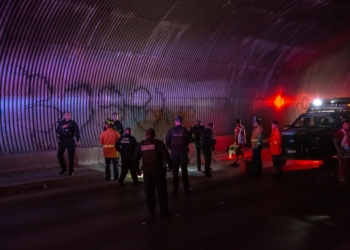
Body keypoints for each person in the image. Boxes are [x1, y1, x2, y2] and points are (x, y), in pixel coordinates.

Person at [134, 128, 173, 217]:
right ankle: (164, 212)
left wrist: (137, 170)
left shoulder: (141, 145)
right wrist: (171, 167)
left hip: (147, 172)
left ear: (146, 135)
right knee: (162, 192)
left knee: (149, 192)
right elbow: (166, 156)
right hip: (158, 171)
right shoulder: (158, 143)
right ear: (154, 135)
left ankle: (151, 211)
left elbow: (135, 158)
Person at [166, 116, 193, 193]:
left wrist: (172, 148)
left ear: (176, 122)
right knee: (184, 171)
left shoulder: (171, 131)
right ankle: (186, 188)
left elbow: (167, 142)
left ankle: (175, 189)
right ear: (181, 121)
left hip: (174, 153)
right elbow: (191, 140)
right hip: (183, 152)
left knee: (175, 171)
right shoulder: (185, 130)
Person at [56, 111, 80, 176]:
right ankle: (64, 168)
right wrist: (62, 128)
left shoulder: (73, 123)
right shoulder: (61, 123)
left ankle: (71, 171)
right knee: (59, 155)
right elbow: (57, 131)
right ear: (64, 116)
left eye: (69, 115)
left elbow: (77, 131)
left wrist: (77, 140)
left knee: (71, 156)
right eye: (67, 115)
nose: (68, 116)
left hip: (70, 140)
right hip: (63, 141)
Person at [333, 119, 350, 187]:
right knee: (343, 164)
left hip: (348, 151)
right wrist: (340, 151)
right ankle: (341, 178)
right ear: (343, 125)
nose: (348, 126)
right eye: (347, 124)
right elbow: (335, 142)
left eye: (349, 125)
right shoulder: (339, 132)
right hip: (343, 151)